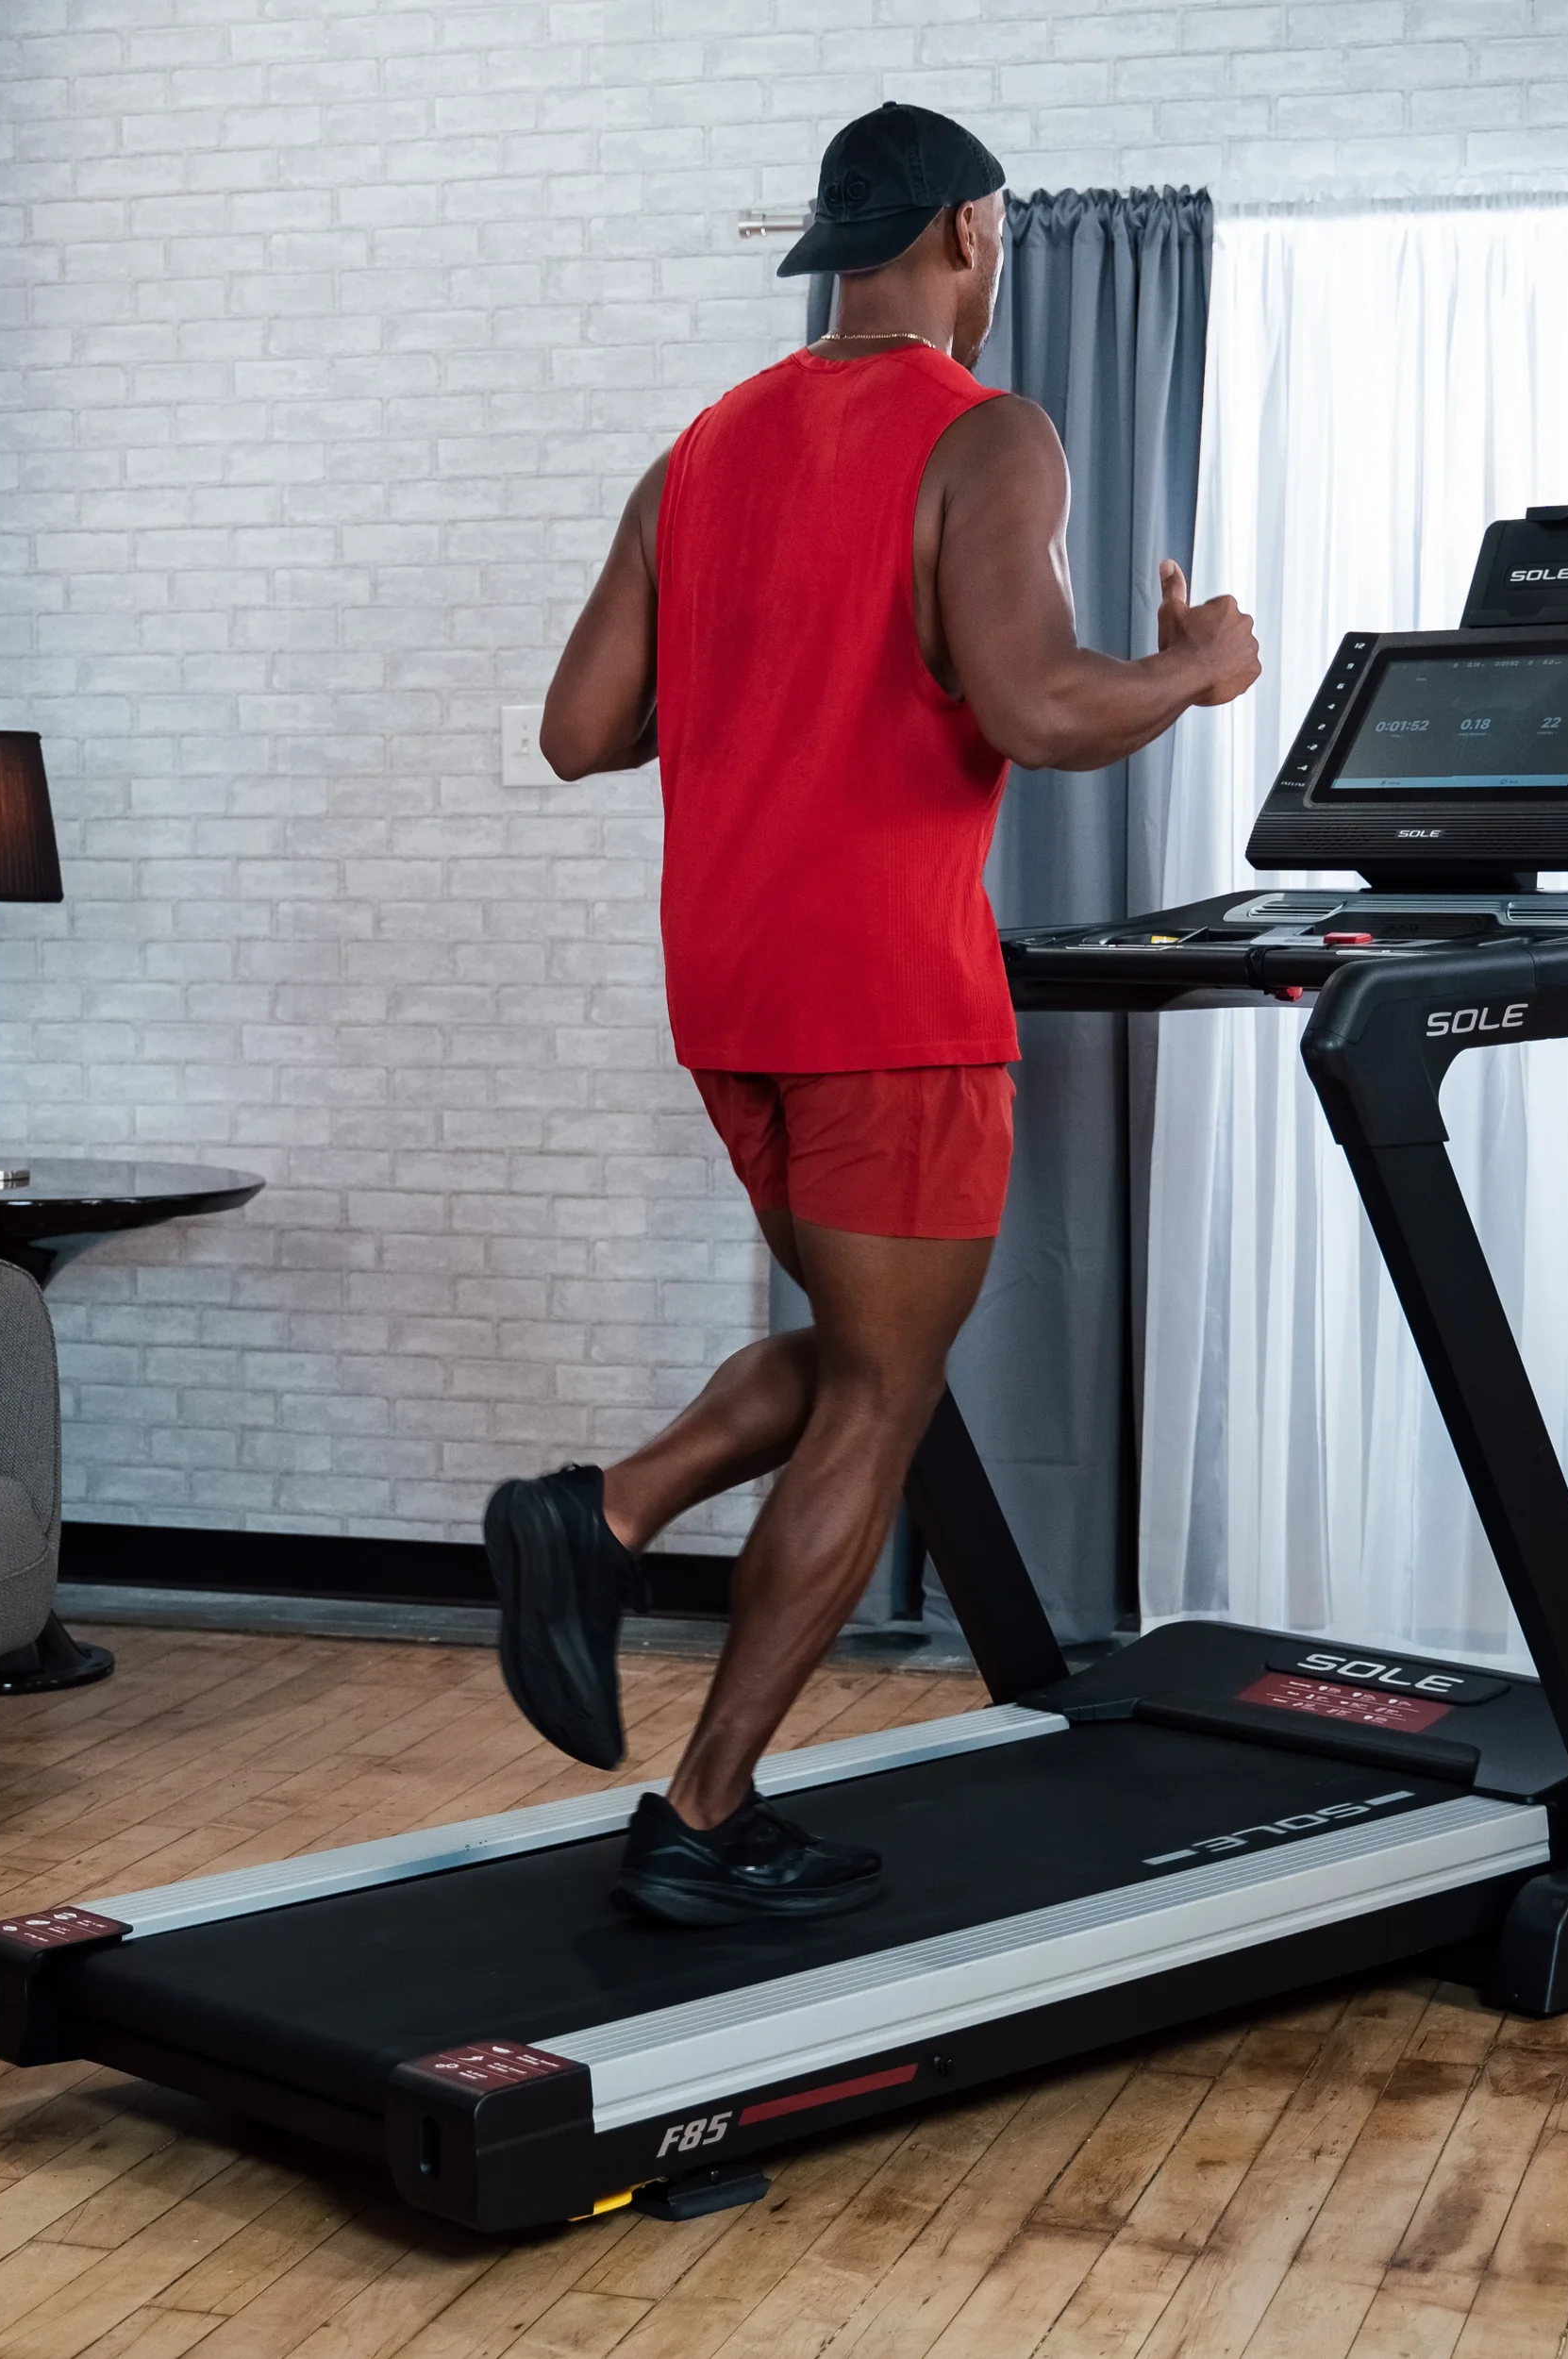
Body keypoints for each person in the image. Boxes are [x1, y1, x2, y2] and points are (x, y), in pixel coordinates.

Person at [485, 102, 1259, 1928]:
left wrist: (776, 651)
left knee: (849, 1349)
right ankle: (702, 1810)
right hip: (891, 997)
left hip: (731, 993)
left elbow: (579, 729)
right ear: (971, 234)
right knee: (886, 1393)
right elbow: (1044, 706)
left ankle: (599, 1519)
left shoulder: (702, 446)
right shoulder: (986, 434)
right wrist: (1201, 668)